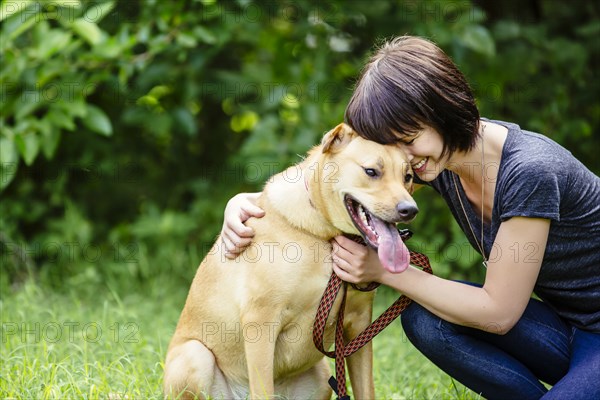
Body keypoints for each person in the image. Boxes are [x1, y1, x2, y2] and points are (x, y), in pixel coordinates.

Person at [219, 36, 600, 400]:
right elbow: (332, 181)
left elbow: (499, 313)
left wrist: (384, 271)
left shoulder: (530, 172)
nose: (403, 157)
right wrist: (245, 200)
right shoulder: (437, 158)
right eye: (390, 144)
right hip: (571, 328)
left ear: (441, 109)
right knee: (428, 321)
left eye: (407, 139)